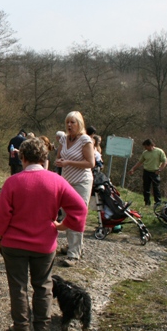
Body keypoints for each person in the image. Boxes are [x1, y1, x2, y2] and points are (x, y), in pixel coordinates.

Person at [0, 137, 87, 331]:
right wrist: (62, 226)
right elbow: (80, 208)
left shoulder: (12, 182)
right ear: (45, 158)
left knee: (18, 287)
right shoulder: (57, 181)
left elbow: (1, 218)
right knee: (43, 286)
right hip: (44, 245)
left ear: (22, 157)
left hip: (14, 244)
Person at [55, 111, 95, 267]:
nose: (69, 125)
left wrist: (68, 162)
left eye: (73, 122)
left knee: (77, 216)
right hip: (66, 181)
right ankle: (73, 246)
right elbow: (59, 157)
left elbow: (90, 163)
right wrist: (59, 161)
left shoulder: (85, 140)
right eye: (67, 122)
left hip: (82, 182)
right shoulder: (64, 139)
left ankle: (73, 254)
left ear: (79, 124)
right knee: (66, 215)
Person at [128, 139, 167, 207]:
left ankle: (158, 203)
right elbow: (140, 162)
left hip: (155, 172)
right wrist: (133, 169)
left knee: (156, 188)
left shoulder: (159, 151)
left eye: (146, 146)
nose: (145, 148)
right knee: (146, 188)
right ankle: (147, 203)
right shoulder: (145, 153)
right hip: (146, 171)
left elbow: (165, 162)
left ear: (151, 145)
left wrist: (160, 169)